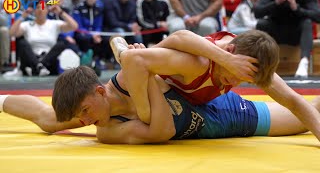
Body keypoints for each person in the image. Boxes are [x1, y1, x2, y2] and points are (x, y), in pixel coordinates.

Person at [1, 65, 320, 144]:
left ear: (100, 91)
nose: (83, 122)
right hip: (229, 124)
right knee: (50, 120)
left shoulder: (135, 72)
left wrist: (144, 66)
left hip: (229, 110)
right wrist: (150, 77)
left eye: (84, 111)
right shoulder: (106, 130)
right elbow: (163, 130)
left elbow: (179, 47)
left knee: (307, 113)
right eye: (79, 116)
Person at [109, 29, 320, 141]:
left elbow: (292, 100)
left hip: (197, 107)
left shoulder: (247, 59)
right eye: (237, 75)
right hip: (171, 98)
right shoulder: (199, 61)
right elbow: (180, 37)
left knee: (302, 118)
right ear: (229, 52)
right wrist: (146, 116)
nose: (236, 83)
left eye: (244, 81)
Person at [253, 0, 320, 78]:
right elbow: (257, 13)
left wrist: (297, 8)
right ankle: (261, 63)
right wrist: (276, 3)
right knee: (262, 24)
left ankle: (304, 62)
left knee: (307, 23)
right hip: (275, 34)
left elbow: (318, 16)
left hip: (296, 34)